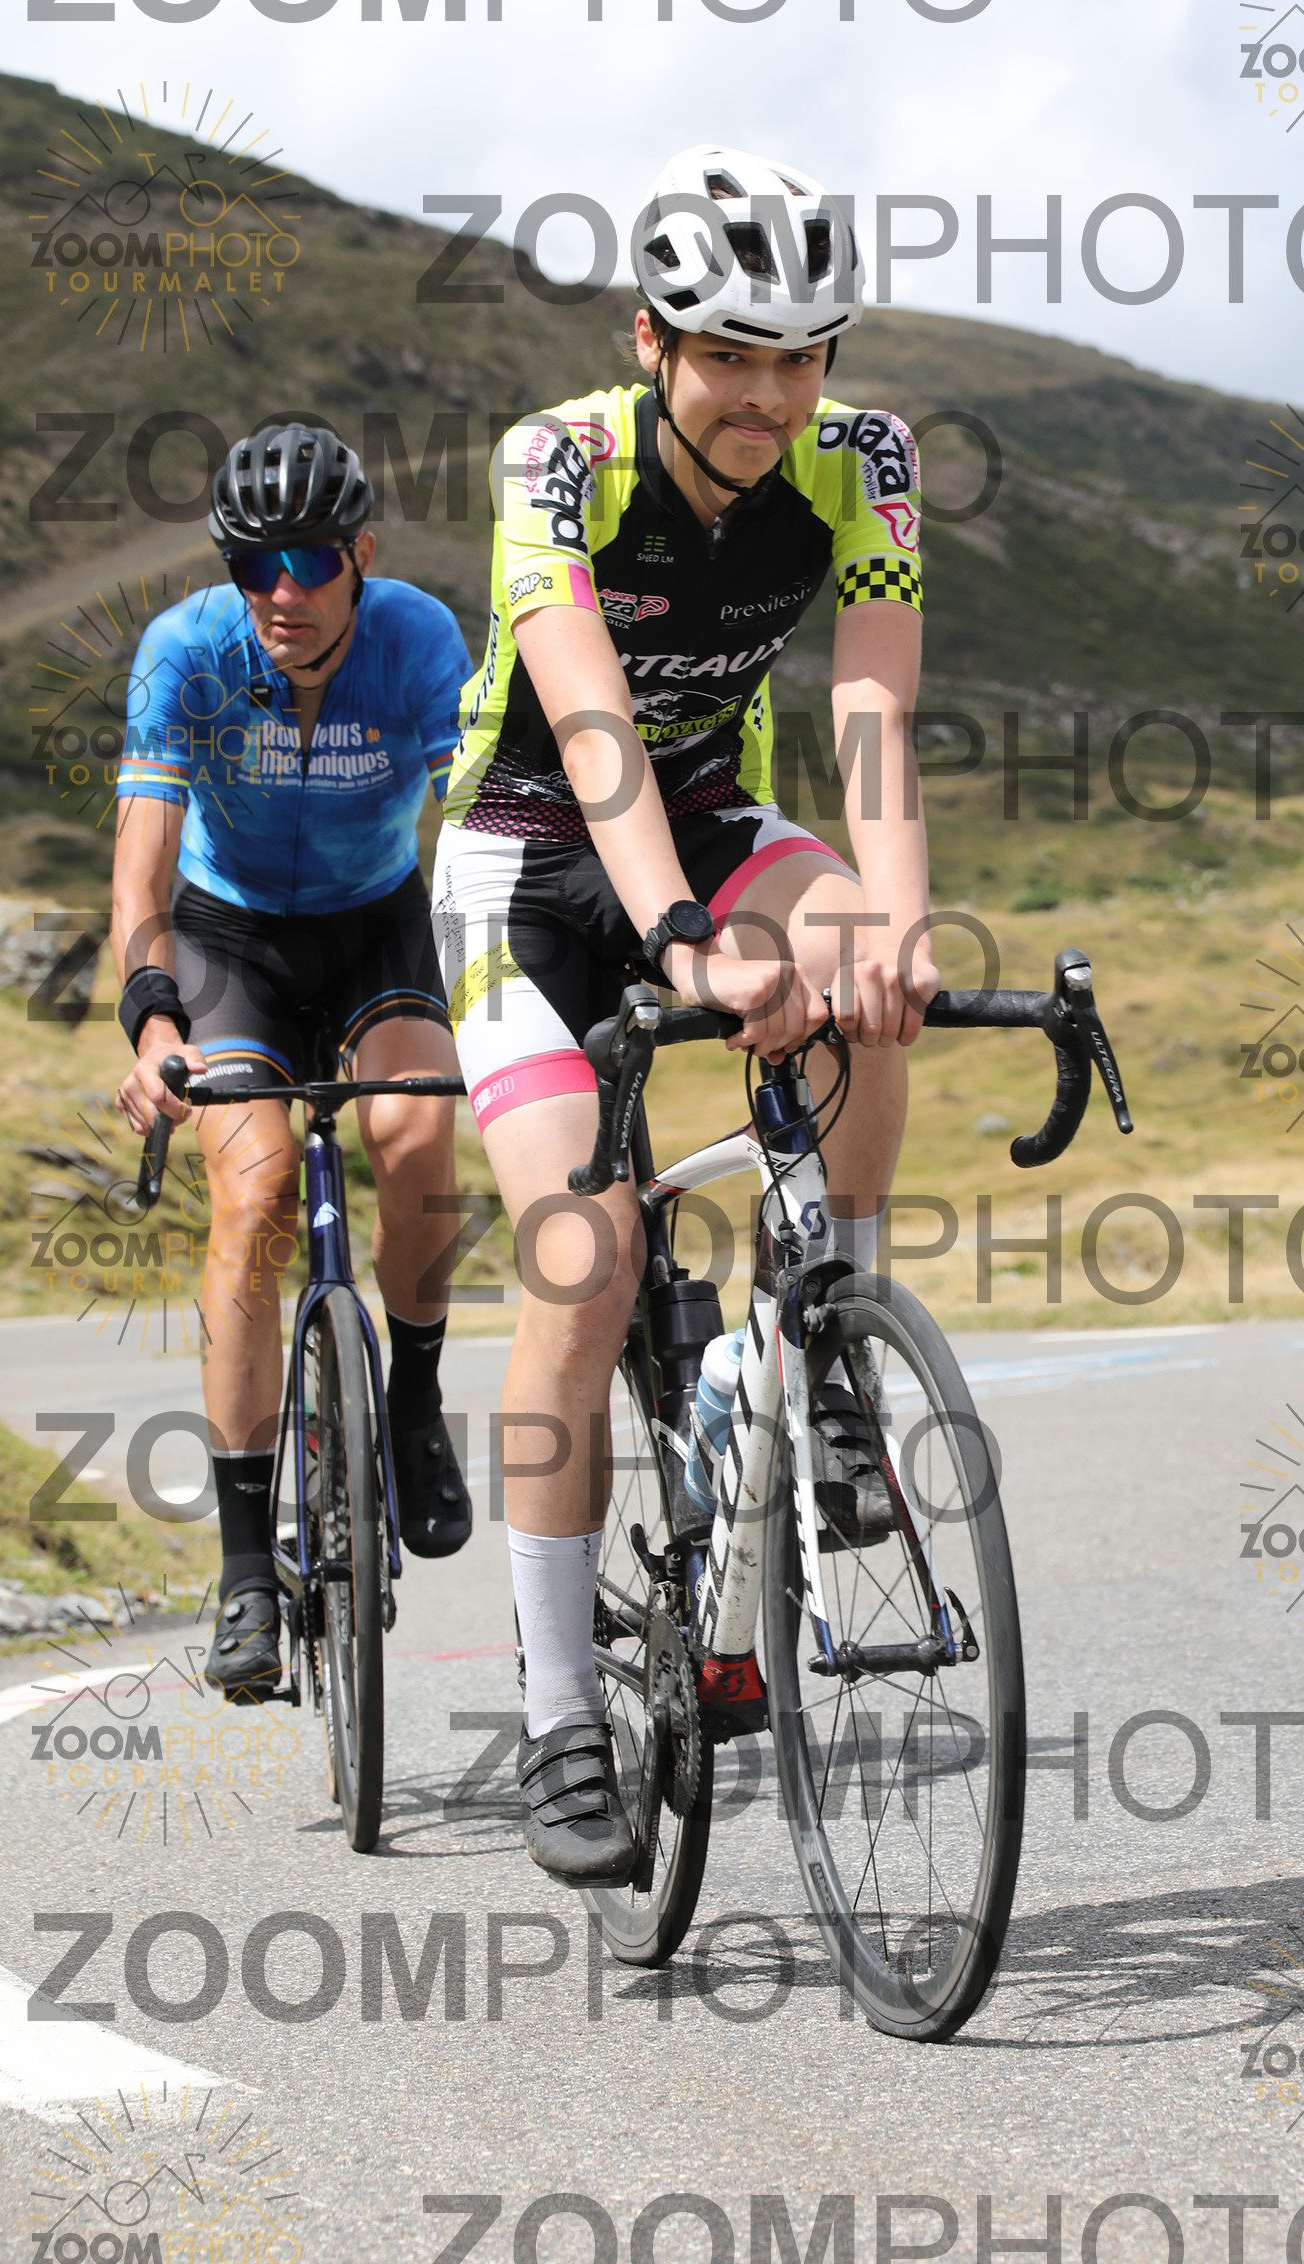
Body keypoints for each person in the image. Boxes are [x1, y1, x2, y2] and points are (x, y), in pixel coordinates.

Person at [434, 144, 936, 1884]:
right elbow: (586, 725)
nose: (767, 397)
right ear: (651, 341)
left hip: (716, 814)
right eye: (729, 354)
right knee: (587, 1259)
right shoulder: (555, 462)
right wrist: (678, 943)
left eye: (799, 358)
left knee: (862, 970)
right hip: (526, 855)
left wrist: (896, 920)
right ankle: (561, 1710)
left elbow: (871, 711)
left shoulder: (868, 461)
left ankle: (836, 1339)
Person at [113, 422, 475, 1702]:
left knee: (418, 1130)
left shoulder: (419, 638)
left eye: (311, 559)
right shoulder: (186, 650)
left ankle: (414, 1403)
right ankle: (244, 1569)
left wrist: (510, 992)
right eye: (253, 563)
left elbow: (476, 824)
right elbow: (141, 875)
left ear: (360, 553)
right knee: (258, 1192)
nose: (282, 590)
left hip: (378, 925)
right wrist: (154, 1022)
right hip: (231, 944)